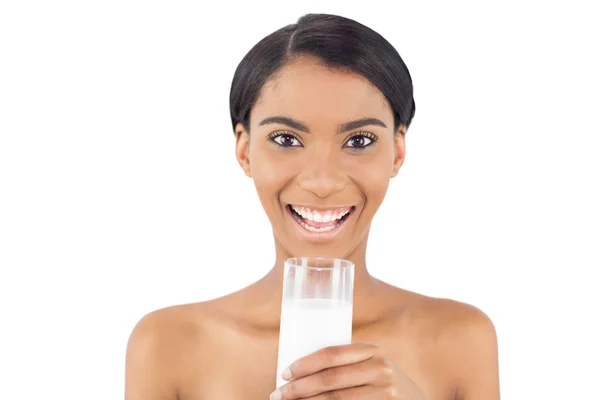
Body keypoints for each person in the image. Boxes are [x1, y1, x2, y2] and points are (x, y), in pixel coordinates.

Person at [125, 13, 500, 400]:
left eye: (359, 141)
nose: (322, 183)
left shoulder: (461, 341)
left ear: (398, 151)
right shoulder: (167, 346)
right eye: (286, 139)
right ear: (244, 150)